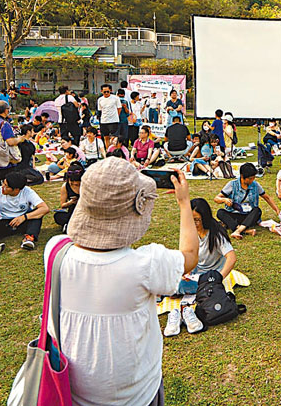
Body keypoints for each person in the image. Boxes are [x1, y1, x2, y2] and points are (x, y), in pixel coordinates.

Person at [43, 160, 198, 406]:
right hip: (136, 395)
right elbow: (189, 255)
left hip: (72, 393)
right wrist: (184, 202)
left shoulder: (55, 251)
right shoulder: (145, 264)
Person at [164, 197, 236, 337]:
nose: (194, 223)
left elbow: (232, 257)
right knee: (166, 273)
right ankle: (174, 296)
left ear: (205, 218)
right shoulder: (192, 233)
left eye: (197, 220)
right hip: (194, 273)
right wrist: (185, 272)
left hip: (208, 278)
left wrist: (218, 278)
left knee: (172, 286)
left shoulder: (215, 234)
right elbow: (188, 255)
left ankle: (173, 297)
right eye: (191, 220)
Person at [0, 172, 50, 256]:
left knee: (37, 215)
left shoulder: (27, 192)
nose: (3, 187)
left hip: (23, 222)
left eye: (6, 186)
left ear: (17, 189)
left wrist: (24, 217)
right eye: (3, 183)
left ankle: (29, 239)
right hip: (6, 223)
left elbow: (45, 208)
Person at [214, 162, 279, 239]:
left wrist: (277, 210)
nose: (252, 180)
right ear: (242, 176)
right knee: (220, 212)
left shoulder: (255, 185)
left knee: (257, 211)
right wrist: (224, 200)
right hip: (235, 214)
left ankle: (237, 230)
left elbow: (266, 197)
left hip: (248, 215)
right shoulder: (232, 184)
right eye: (250, 178)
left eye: (254, 177)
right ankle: (244, 230)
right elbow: (216, 198)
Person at [0, 100, 27, 189]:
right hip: (5, 162)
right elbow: (10, 142)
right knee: (7, 188)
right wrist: (20, 139)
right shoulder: (4, 124)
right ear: (6, 110)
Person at [53, 162, 84, 232]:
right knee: (58, 216)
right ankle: (72, 224)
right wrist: (71, 202)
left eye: (77, 184)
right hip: (73, 212)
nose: (75, 185)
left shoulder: (87, 184)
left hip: (85, 211)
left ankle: (72, 224)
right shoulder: (65, 187)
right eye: (72, 183)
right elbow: (63, 205)